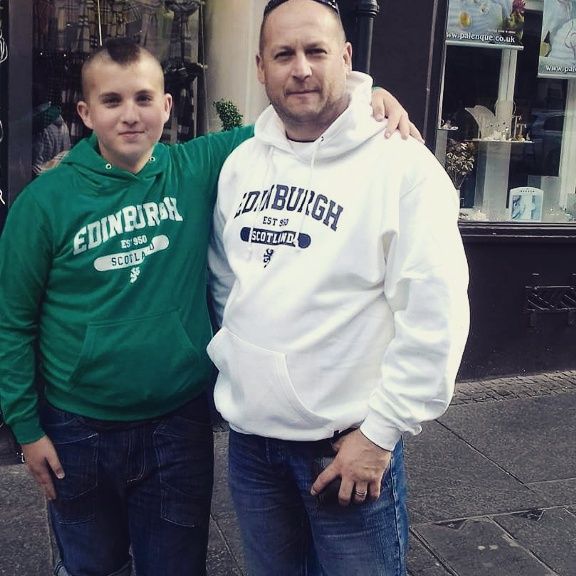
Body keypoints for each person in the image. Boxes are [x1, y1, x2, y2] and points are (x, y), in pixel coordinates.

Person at [0, 37, 416, 576]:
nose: (130, 115)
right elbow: (12, 323)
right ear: (85, 112)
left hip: (177, 423)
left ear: (167, 106)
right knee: (90, 565)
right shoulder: (43, 203)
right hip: (77, 429)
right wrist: (26, 429)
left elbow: (298, 116)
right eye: (112, 101)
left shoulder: (196, 166)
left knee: (174, 565)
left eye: (144, 98)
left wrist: (368, 96)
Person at [207, 1, 470, 575]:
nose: (301, 68)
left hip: (345, 448)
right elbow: (228, 282)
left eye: (316, 51)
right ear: (260, 67)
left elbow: (436, 313)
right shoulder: (240, 165)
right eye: (283, 54)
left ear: (346, 58)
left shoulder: (403, 167)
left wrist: (380, 436)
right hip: (252, 447)